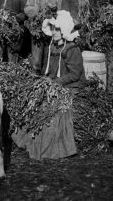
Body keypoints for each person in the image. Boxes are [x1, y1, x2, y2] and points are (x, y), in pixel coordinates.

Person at [12, 10, 86, 160]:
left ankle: (51, 145)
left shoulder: (71, 48)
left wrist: (55, 82)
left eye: (58, 29)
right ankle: (29, 137)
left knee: (54, 109)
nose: (54, 32)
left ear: (64, 30)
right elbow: (49, 70)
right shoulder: (52, 46)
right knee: (33, 101)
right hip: (55, 83)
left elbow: (75, 74)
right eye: (53, 28)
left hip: (71, 86)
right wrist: (44, 81)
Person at [24, 0, 63, 74]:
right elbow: (27, 9)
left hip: (52, 32)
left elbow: (61, 12)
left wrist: (54, 14)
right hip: (37, 32)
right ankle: (35, 80)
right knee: (36, 61)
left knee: (49, 59)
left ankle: (46, 83)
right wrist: (39, 12)